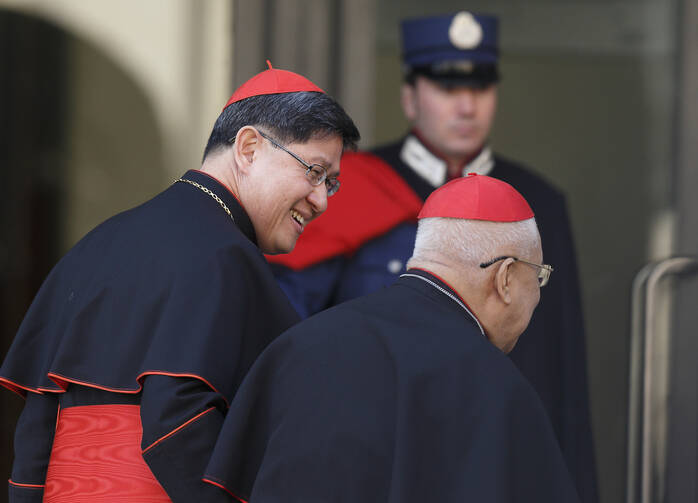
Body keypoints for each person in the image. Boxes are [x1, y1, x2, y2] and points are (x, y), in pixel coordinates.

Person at [268, 11, 597, 502]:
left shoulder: (539, 201)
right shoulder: (345, 187)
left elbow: (559, 369)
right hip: (382, 451)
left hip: (499, 454)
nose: (466, 106)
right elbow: (297, 328)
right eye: (446, 87)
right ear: (409, 96)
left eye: (480, 89)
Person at [0, 62, 360, 503]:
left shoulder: (100, 241)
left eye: (331, 183)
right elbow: (176, 422)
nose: (321, 199)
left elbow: (38, 425)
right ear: (248, 148)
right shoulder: (222, 253)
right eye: (314, 171)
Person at [203, 174, 581, 503]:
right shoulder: (499, 389)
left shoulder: (300, 345)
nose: (539, 294)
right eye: (539, 276)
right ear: (506, 278)